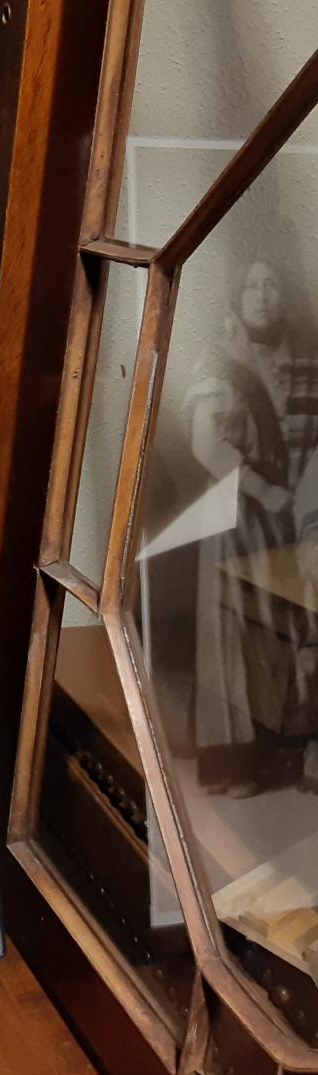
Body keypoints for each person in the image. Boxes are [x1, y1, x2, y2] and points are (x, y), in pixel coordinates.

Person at [187, 259, 318, 796]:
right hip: (237, 516)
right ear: (236, 297)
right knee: (236, 638)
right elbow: (206, 444)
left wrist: (302, 505)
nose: (262, 294)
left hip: (294, 517)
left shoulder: (308, 363)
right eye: (251, 284)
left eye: (272, 284)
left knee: (284, 637)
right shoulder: (220, 361)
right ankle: (236, 762)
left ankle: (283, 758)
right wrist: (266, 492)